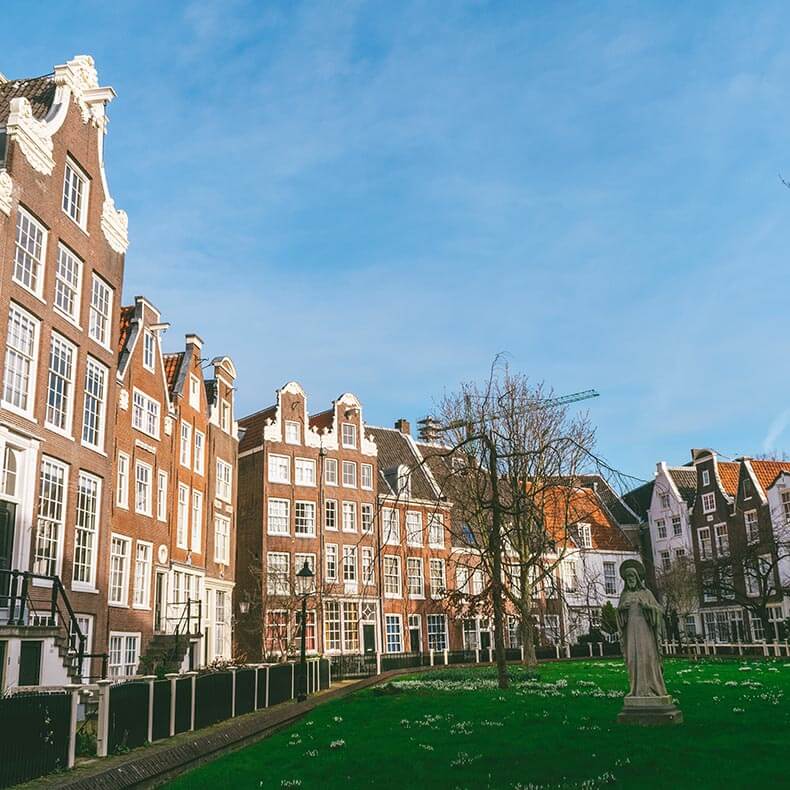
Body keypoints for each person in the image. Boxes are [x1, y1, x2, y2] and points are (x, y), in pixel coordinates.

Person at [617, 559, 668, 698]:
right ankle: (635, 690)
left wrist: (648, 607)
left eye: (632, 577)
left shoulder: (647, 594)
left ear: (637, 578)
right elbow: (620, 618)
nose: (630, 580)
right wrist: (622, 609)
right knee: (633, 660)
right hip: (630, 633)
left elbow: (660, 610)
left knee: (648, 658)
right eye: (627, 578)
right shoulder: (624, 596)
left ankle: (651, 688)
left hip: (645, 633)